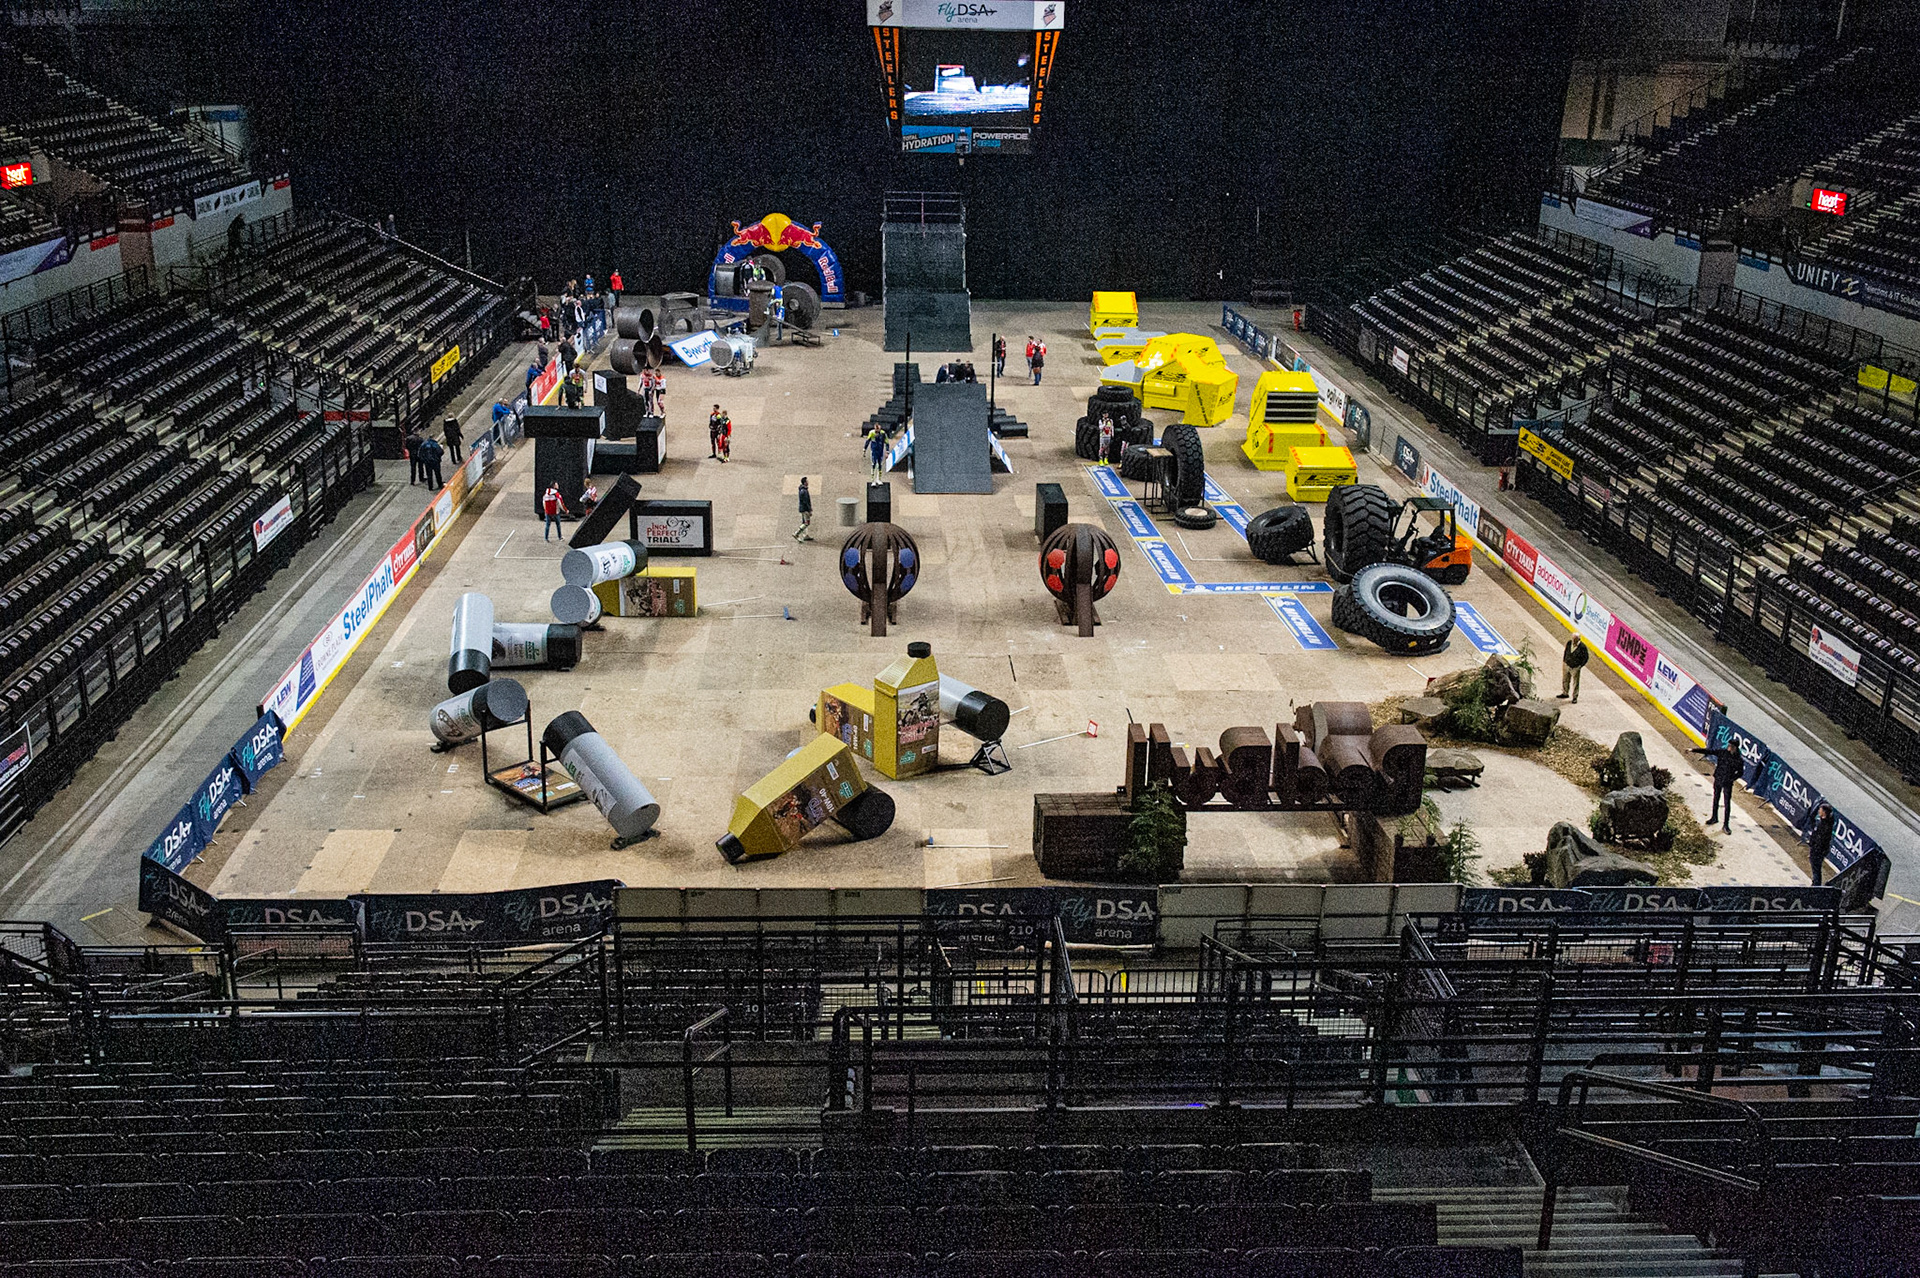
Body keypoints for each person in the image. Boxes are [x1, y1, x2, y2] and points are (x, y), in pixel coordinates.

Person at [1691, 739, 1743, 835]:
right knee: (1716, 799)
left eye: (1731, 746)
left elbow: (1740, 773)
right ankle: (1714, 817)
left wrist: (1731, 779)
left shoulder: (1738, 760)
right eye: (1729, 745)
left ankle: (1726, 824)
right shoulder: (1723, 753)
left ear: (1735, 748)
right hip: (1718, 779)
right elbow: (1709, 751)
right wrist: (1693, 750)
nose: (1729, 747)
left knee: (1727, 803)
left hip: (1727, 782)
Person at [1807, 801, 1835, 887]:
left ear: (1824, 812)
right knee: (1815, 868)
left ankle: (1816, 885)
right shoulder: (1822, 822)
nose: (1819, 811)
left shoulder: (1825, 826)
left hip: (1818, 851)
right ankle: (1815, 883)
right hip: (1816, 850)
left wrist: (1815, 850)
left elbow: (1821, 840)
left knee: (1816, 868)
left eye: (1820, 809)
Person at [1558, 633, 1589, 704]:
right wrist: (1564, 660)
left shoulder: (1582, 647)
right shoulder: (1569, 643)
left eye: (1575, 639)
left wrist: (1580, 666)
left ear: (1579, 639)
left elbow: (1586, 657)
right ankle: (1565, 693)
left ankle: (1575, 697)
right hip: (1567, 665)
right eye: (1573, 639)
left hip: (1575, 667)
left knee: (1575, 682)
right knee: (1565, 679)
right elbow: (1566, 651)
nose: (1573, 640)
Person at [794, 477, 813, 542]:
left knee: (804, 522)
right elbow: (806, 501)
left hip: (802, 509)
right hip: (805, 509)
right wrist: (809, 510)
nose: (808, 482)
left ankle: (805, 535)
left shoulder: (802, 490)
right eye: (807, 481)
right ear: (805, 482)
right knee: (807, 523)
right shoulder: (804, 491)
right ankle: (797, 533)